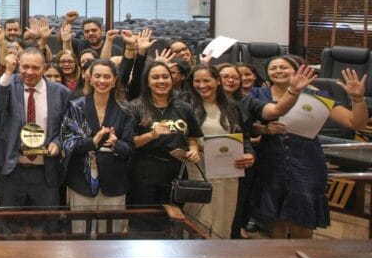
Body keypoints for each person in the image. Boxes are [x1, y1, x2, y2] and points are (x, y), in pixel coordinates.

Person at [251, 57, 368, 238]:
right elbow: (247, 126)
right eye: (273, 68)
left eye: (284, 67)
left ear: (297, 71)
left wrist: (358, 99)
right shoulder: (257, 94)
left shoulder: (317, 96)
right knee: (274, 219)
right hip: (270, 163)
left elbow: (356, 123)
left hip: (307, 163)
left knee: (302, 220)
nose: (278, 71)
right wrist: (264, 129)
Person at [0, 48, 70, 214]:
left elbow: (66, 128)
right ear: (18, 65)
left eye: (35, 67)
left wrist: (57, 143)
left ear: (45, 68)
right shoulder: (7, 84)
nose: (30, 72)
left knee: (48, 226)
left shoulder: (60, 92)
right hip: (13, 170)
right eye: (25, 67)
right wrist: (7, 72)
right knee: (8, 225)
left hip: (45, 172)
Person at [60, 59, 135, 235]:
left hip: (114, 181)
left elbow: (130, 149)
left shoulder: (125, 110)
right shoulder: (75, 107)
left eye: (107, 76)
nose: (102, 81)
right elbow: (68, 143)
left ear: (115, 80)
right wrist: (93, 142)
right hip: (81, 180)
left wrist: (116, 144)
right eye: (98, 76)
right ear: (90, 78)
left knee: (112, 236)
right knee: (80, 234)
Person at [125, 61, 202, 229]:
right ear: (147, 82)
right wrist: (151, 135)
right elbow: (129, 143)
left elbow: (193, 138)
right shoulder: (135, 107)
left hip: (176, 171)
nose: (161, 81)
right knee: (143, 220)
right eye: (155, 77)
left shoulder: (185, 107)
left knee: (173, 220)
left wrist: (194, 151)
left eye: (165, 76)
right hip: (144, 171)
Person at [182, 65, 255, 239]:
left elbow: (244, 137)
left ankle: (218, 255)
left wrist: (249, 154)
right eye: (197, 81)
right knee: (201, 215)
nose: (201, 85)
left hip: (228, 168)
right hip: (198, 166)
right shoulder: (185, 105)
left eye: (206, 80)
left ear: (218, 81)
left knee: (224, 214)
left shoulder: (232, 107)